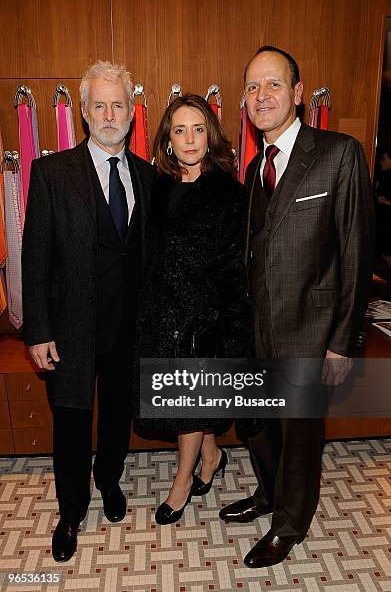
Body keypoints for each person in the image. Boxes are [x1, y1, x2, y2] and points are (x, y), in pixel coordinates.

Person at [219, 46, 374, 568]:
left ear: (298, 93)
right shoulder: (253, 166)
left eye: (273, 84)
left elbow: (355, 250)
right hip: (257, 330)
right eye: (252, 87)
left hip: (311, 332)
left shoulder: (338, 153)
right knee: (259, 425)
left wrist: (342, 341)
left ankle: (290, 523)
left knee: (301, 436)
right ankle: (269, 493)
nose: (261, 96)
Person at [22, 61, 155, 562]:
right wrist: (38, 330)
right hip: (71, 329)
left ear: (131, 111)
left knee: (118, 415)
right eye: (99, 104)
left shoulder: (147, 176)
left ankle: (110, 480)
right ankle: (71, 510)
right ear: (83, 111)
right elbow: (35, 258)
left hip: (128, 327)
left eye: (118, 104)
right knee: (72, 421)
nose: (109, 113)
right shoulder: (52, 173)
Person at [137, 94, 250, 525]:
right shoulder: (157, 188)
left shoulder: (230, 194)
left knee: (187, 403)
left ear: (211, 135)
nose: (189, 139)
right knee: (188, 406)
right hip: (161, 314)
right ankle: (212, 454)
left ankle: (181, 483)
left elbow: (236, 266)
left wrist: (222, 321)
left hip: (206, 319)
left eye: (198, 129)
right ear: (168, 139)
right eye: (180, 130)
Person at [375, 144, 391, 267]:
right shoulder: (384, 176)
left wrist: (386, 201)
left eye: (384, 159)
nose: (381, 162)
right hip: (383, 221)